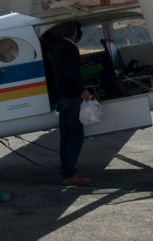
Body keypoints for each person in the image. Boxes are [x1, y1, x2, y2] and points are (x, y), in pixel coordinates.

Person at [49, 21, 92, 186]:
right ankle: (69, 173)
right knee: (76, 135)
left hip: (62, 96)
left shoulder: (57, 48)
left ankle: (65, 170)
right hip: (72, 97)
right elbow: (71, 73)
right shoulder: (71, 48)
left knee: (65, 136)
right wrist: (82, 89)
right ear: (75, 33)